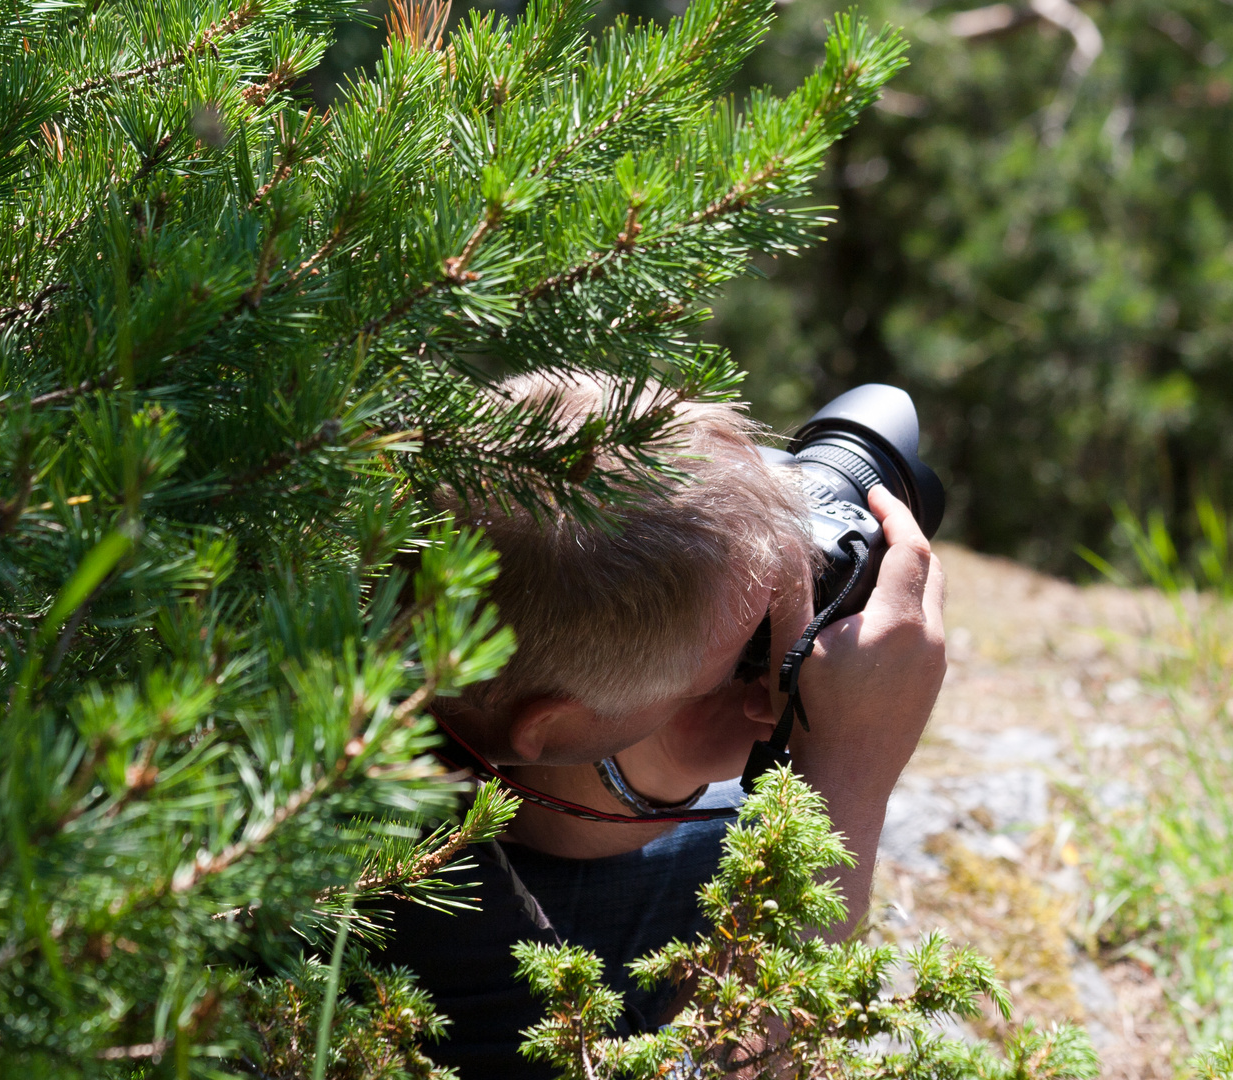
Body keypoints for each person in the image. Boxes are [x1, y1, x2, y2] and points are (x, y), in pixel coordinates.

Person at [376, 372, 947, 1076]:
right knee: (738, 848)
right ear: (552, 729)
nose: (760, 681)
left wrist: (666, 762)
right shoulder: (450, 927)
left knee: (723, 839)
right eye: (733, 663)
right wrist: (849, 779)